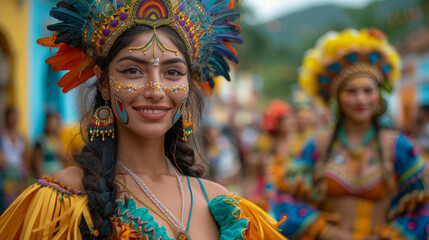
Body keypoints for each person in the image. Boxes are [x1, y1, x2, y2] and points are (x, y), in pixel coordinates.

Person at [0, 1, 287, 239]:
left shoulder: (221, 204)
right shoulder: (63, 199)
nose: (155, 90)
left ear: (189, 86)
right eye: (132, 71)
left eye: (172, 72)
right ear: (103, 83)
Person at [271, 28, 429, 239]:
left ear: (378, 96)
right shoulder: (318, 145)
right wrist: (329, 232)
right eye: (351, 91)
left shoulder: (399, 146)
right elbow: (286, 200)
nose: (360, 100)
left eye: (367, 91)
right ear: (338, 97)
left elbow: (419, 210)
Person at [0, 107, 29, 208]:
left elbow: (23, 158)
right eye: (11, 118)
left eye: (15, 118)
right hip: (5, 173)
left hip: (17, 174)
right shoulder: (2, 135)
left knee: (15, 205)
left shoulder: (21, 137)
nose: (13, 121)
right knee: (5, 204)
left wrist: (25, 177)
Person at [33, 111, 70, 177]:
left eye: (56, 123)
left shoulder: (58, 140)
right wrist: (41, 177)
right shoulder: (41, 140)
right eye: (50, 123)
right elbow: (37, 162)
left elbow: (63, 157)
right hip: (46, 177)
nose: (53, 125)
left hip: (58, 177)